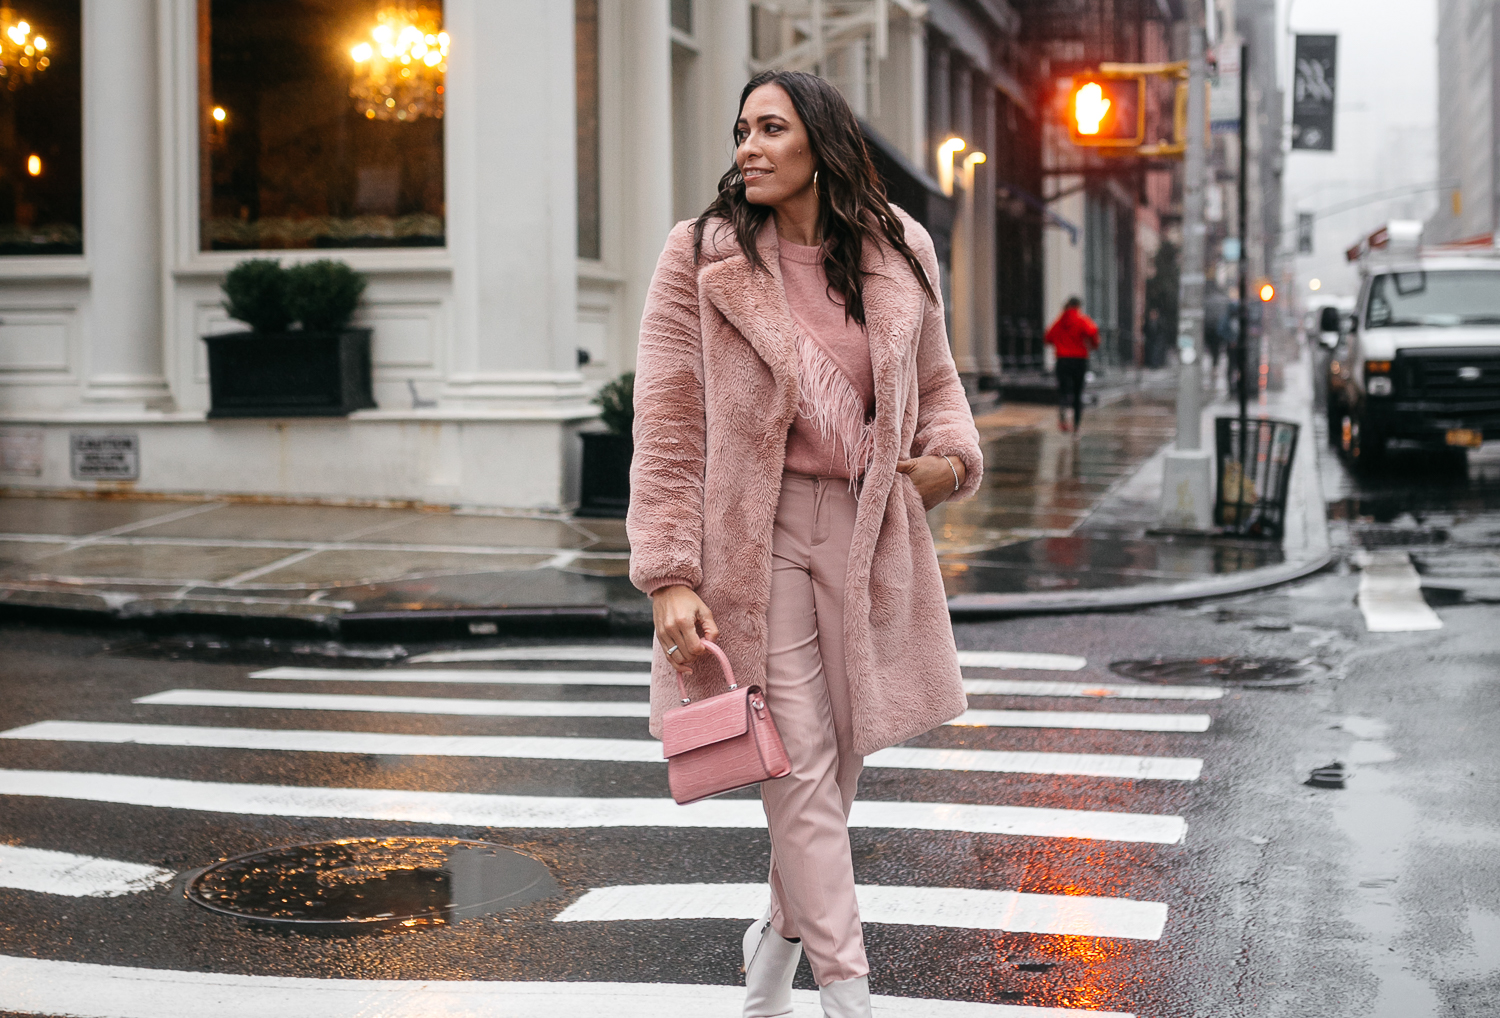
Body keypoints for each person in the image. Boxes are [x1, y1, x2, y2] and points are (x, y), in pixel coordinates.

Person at [627, 70, 982, 1018]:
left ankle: (772, 960)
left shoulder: (900, 249)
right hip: (758, 534)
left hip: (870, 531)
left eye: (771, 129)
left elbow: (939, 383)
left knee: (844, 759)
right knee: (799, 761)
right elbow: (665, 423)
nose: (747, 146)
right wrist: (668, 574)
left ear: (821, 145)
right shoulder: (700, 256)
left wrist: (952, 456)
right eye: (742, 129)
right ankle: (850, 995)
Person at [1044, 296, 1100, 432]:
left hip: (1062, 360)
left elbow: (1048, 338)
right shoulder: (1082, 320)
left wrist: (1061, 344)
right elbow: (1093, 333)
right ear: (1078, 306)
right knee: (1077, 392)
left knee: (1063, 390)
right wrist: (1091, 345)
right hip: (1079, 360)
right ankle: (1076, 425)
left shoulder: (1059, 321)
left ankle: (1063, 408)